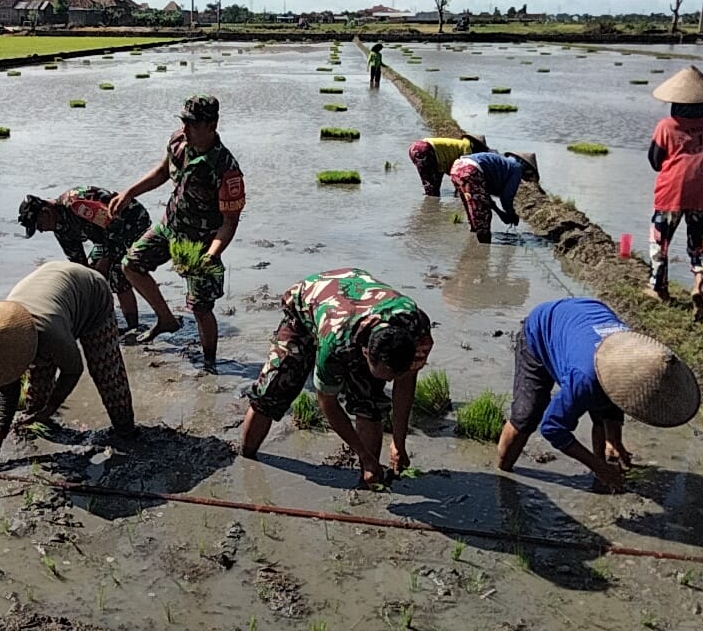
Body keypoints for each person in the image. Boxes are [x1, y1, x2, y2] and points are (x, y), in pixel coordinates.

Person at [239, 268, 434, 487]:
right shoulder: (335, 343)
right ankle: (245, 458)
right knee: (273, 390)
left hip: (358, 301)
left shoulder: (416, 330)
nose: (388, 381)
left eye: (392, 376)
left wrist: (399, 443)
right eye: (384, 375)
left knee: (369, 401)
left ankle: (369, 482)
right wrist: (363, 454)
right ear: (366, 354)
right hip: (309, 304)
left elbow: (405, 383)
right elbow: (327, 403)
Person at [497, 298, 700, 492]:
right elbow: (552, 428)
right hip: (542, 328)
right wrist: (598, 467)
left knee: (606, 403)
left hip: (586, 319)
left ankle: (609, 455)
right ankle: (502, 474)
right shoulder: (585, 379)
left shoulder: (638, 359)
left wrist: (615, 441)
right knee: (528, 414)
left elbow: (620, 400)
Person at [109, 95, 246, 374]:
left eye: (193, 124)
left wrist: (211, 254)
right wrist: (129, 193)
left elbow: (230, 222)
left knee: (200, 307)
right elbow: (162, 172)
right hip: (170, 225)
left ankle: (209, 364)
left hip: (201, 243)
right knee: (131, 265)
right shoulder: (178, 142)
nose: (186, 128)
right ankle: (166, 319)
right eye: (183, 121)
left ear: (212, 124)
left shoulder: (226, 169)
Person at [0, 261, 136, 470]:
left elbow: (73, 370)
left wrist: (52, 406)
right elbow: (7, 386)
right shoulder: (2, 334)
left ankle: (127, 430)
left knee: (105, 371)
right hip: (52, 296)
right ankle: (39, 421)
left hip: (92, 295)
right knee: (37, 390)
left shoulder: (50, 333)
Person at [645, 66, 703, 320]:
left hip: (674, 190)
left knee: (661, 240)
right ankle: (698, 287)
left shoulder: (667, 125)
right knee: (701, 242)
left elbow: (655, 160)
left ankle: (658, 288)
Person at [18, 186, 152, 331]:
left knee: (116, 273)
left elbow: (113, 223)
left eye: (39, 225)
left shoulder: (76, 204)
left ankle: (133, 326)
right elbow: (78, 263)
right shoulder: (61, 229)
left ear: (46, 212)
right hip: (105, 236)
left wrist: (106, 260)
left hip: (130, 221)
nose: (41, 230)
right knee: (91, 275)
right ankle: (99, 317)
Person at [449, 151, 539, 244]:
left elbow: (485, 197)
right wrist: (511, 213)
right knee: (483, 216)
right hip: (471, 170)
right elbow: (506, 197)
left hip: (457, 168)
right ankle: (483, 251)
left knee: (473, 211)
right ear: (527, 168)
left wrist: (500, 213)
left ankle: (473, 245)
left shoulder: (503, 165)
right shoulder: (517, 168)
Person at [407, 134, 489, 197]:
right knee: (432, 188)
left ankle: (430, 202)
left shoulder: (460, 145)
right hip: (426, 150)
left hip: (417, 148)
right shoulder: (468, 150)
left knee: (434, 180)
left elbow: (450, 169)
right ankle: (431, 209)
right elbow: (462, 174)